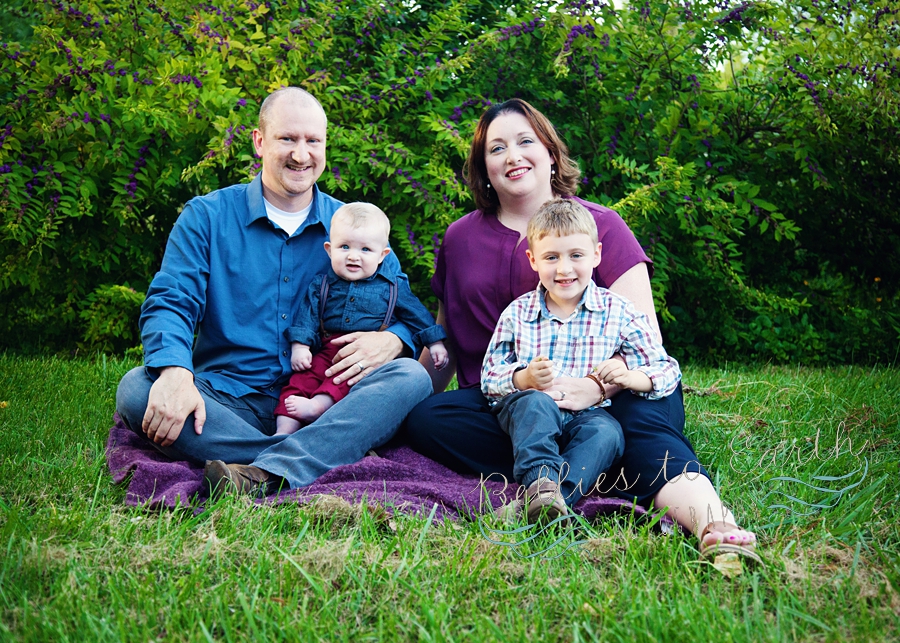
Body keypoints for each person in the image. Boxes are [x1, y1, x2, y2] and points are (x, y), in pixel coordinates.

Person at [403, 98, 760, 562]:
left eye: (525, 141)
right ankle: (589, 471)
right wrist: (399, 402)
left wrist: (594, 387)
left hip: (615, 393)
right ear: (482, 167)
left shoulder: (603, 227)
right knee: (429, 421)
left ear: (550, 152)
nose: (512, 156)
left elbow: (648, 347)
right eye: (496, 148)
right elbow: (444, 339)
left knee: (639, 429)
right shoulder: (460, 238)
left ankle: (714, 523)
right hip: (517, 398)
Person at [115, 87, 432, 498]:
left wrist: (394, 339)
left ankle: (260, 470)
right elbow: (171, 301)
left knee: (411, 376)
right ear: (260, 141)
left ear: (324, 146)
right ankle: (308, 459)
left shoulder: (355, 227)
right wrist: (175, 372)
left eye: (312, 141)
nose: (301, 154)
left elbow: (405, 309)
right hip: (227, 400)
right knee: (137, 389)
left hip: (325, 398)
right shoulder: (207, 217)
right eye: (288, 139)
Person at [482, 199, 680, 524]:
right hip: (532, 408)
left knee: (608, 434)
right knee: (534, 404)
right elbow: (490, 377)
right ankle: (541, 485)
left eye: (576, 255)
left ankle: (550, 501)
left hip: (588, 413)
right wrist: (524, 379)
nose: (564, 269)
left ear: (596, 255)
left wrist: (631, 377)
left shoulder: (617, 311)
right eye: (551, 257)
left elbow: (664, 368)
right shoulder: (518, 313)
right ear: (533, 260)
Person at [275, 202, 448, 435]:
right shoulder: (322, 284)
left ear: (382, 255)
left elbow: (417, 315)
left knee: (344, 380)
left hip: (365, 356)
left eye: (365, 250)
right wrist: (300, 345)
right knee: (301, 379)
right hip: (325, 349)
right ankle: (282, 432)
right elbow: (307, 315)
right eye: (344, 247)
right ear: (329, 249)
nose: (354, 257)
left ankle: (318, 407)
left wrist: (435, 343)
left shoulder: (392, 287)